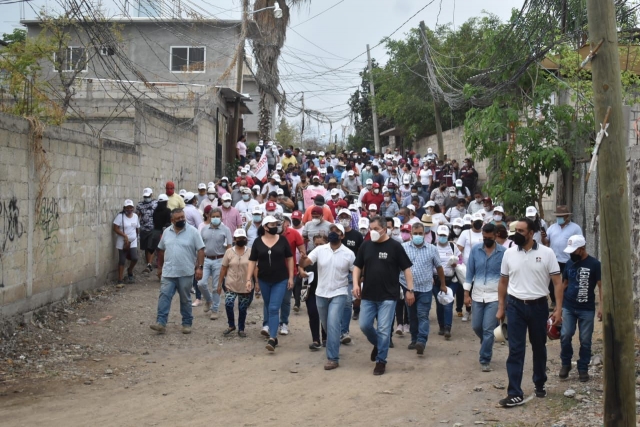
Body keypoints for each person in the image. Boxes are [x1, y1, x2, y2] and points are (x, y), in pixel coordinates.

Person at [496, 218, 563, 407]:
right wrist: (501, 307)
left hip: (539, 306)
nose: (517, 233)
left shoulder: (547, 253)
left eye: (521, 231)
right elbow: (503, 282)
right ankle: (514, 392)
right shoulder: (509, 253)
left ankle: (539, 381)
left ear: (531, 233)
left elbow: (557, 282)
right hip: (515, 306)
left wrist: (558, 309)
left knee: (539, 347)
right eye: (515, 230)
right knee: (515, 349)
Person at [353, 216, 415, 376]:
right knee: (365, 325)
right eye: (370, 229)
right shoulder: (366, 246)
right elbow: (357, 266)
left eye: (376, 229)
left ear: (385, 229)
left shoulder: (395, 247)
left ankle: (381, 361)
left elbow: (407, 269)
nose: (372, 232)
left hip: (388, 296)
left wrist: (410, 289)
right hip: (368, 295)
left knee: (383, 329)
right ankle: (379, 344)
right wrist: (355, 284)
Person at [299, 223, 355, 370]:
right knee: (326, 324)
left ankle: (333, 358)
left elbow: (355, 272)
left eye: (337, 231)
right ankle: (334, 343)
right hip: (321, 293)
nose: (334, 233)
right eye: (332, 230)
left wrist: (356, 286)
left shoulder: (349, 254)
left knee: (333, 323)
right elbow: (305, 262)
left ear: (342, 236)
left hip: (339, 292)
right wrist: (301, 262)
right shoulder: (320, 250)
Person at [150, 208, 205, 334]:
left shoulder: (193, 232)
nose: (181, 220)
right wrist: (160, 267)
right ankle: (161, 322)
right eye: (178, 218)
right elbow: (161, 251)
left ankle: (187, 323)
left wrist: (199, 267)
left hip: (185, 272)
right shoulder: (166, 232)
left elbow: (201, 250)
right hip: (168, 272)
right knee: (164, 296)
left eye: (182, 217)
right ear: (172, 220)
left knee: (185, 299)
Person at [246, 216, 295, 351]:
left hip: (281, 279)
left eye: (276, 224)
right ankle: (272, 330)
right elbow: (252, 261)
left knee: (274, 308)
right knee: (268, 305)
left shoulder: (283, 240)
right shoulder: (257, 242)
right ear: (265, 227)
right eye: (272, 224)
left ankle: (272, 338)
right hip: (264, 279)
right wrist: (248, 279)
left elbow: (290, 258)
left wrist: (291, 277)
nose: (275, 227)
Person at [558, 235, 602, 382]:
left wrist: (601, 306)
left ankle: (583, 367)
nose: (571, 254)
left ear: (582, 249)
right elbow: (563, 284)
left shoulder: (595, 264)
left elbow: (601, 287)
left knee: (585, 340)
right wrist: (558, 308)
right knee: (565, 335)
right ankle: (565, 363)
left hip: (587, 309)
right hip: (569, 307)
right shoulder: (570, 263)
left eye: (574, 251)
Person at [463, 223, 506, 372]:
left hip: (494, 296)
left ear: (495, 236)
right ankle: (486, 342)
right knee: (476, 326)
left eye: (489, 237)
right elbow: (469, 274)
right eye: (484, 237)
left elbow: (505, 278)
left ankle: (485, 358)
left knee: (488, 330)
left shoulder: (503, 253)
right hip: (477, 295)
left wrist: (504, 301)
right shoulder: (475, 250)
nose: (486, 240)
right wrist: (466, 294)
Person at [401, 222, 446, 354]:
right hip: (408, 288)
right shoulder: (403, 248)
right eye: (415, 234)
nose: (418, 236)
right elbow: (398, 267)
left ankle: (421, 341)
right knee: (412, 315)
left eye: (420, 233)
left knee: (422, 314)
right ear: (411, 234)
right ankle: (414, 339)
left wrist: (442, 284)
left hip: (425, 288)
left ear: (425, 234)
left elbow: (439, 267)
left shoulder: (432, 249)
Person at [542, 205, 583, 308]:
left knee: (568, 280)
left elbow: (580, 242)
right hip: (554, 259)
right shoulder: (552, 227)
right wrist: (543, 237)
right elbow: (546, 242)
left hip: (568, 259)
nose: (559, 218)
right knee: (552, 282)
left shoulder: (575, 228)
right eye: (558, 216)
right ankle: (554, 300)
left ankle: (566, 300)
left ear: (567, 216)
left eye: (561, 216)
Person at [197, 208, 233, 320]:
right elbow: (200, 247)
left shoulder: (226, 230)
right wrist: (198, 264)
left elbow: (229, 247)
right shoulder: (204, 230)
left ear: (221, 217)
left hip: (220, 260)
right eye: (214, 216)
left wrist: (228, 263)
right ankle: (208, 300)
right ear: (209, 217)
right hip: (206, 259)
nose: (215, 218)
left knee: (216, 286)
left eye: (218, 216)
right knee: (201, 283)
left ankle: (215, 309)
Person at [219, 229, 253, 337]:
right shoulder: (229, 252)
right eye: (239, 238)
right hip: (231, 283)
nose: (241, 240)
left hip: (245, 284)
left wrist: (257, 283)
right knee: (229, 304)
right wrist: (219, 284)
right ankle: (231, 325)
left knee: (243, 308)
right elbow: (223, 268)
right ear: (234, 239)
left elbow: (255, 268)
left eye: (243, 238)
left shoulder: (250, 251)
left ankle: (241, 328)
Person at [337, 208, 363, 336]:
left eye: (346, 217)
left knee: (347, 302)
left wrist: (360, 275)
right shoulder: (334, 233)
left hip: (351, 273)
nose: (344, 219)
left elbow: (361, 255)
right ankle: (335, 329)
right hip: (335, 272)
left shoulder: (357, 235)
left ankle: (344, 331)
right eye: (341, 217)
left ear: (351, 218)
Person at [278, 216, 306, 335]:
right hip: (273, 272)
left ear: (286, 223)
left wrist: (301, 267)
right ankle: (268, 323)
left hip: (290, 271)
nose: (279, 225)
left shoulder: (294, 234)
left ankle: (284, 322)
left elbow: (302, 252)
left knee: (285, 299)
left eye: (281, 222)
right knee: (272, 301)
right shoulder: (269, 235)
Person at [433, 225, 462, 339]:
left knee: (448, 303)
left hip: (451, 280)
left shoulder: (452, 246)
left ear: (448, 235)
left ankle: (447, 327)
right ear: (437, 235)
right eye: (440, 235)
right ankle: (441, 325)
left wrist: (457, 263)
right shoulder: (433, 247)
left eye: (444, 235)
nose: (442, 237)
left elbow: (460, 259)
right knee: (440, 303)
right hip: (436, 280)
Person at [301, 234, 328, 350]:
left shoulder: (329, 254)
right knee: (313, 313)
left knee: (325, 315)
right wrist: (301, 271)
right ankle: (316, 340)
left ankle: (326, 338)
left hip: (326, 290)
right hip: (311, 289)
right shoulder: (310, 253)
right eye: (316, 244)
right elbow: (301, 264)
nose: (318, 247)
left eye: (321, 244)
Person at [112, 199, 140, 288]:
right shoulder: (120, 216)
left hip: (133, 241)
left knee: (135, 258)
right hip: (123, 242)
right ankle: (120, 279)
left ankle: (130, 270)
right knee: (122, 260)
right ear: (124, 208)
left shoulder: (135, 216)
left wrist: (137, 237)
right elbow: (115, 228)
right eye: (127, 208)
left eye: (131, 207)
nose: (129, 209)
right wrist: (124, 235)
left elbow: (137, 228)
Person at [136, 188, 158, 274]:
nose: (147, 197)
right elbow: (137, 215)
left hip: (153, 228)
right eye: (145, 196)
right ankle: (148, 264)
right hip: (143, 228)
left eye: (148, 196)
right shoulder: (140, 205)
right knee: (146, 248)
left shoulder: (156, 203)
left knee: (151, 247)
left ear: (151, 195)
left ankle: (149, 264)